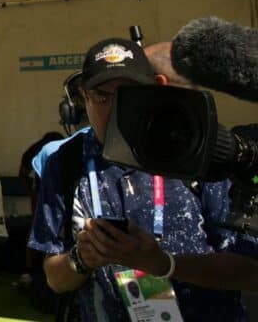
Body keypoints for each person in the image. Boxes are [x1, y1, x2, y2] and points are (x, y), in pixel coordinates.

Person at [29, 38, 251, 321]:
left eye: (128, 94)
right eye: (101, 96)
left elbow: (249, 269)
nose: (114, 109)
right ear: (83, 97)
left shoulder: (195, 147)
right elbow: (54, 278)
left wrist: (164, 264)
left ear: (156, 88)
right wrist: (82, 259)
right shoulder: (66, 162)